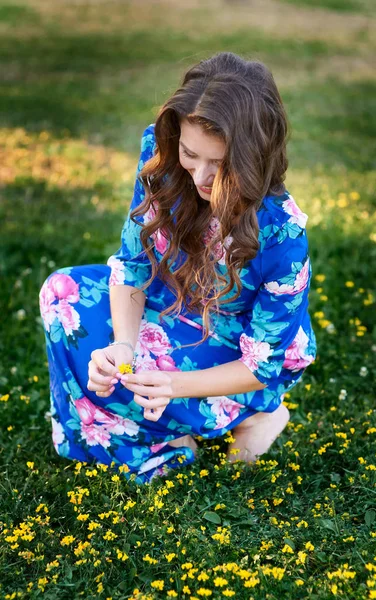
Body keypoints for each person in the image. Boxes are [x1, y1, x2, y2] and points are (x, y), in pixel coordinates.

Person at [39, 51, 317, 484]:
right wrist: (124, 350)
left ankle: (252, 418)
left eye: (220, 164)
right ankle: (163, 435)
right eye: (191, 154)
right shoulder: (162, 153)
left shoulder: (283, 233)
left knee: (147, 375)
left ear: (253, 157)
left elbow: (259, 363)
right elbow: (132, 266)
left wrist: (173, 386)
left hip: (233, 349)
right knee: (61, 293)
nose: (200, 177)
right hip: (171, 301)